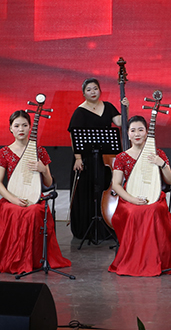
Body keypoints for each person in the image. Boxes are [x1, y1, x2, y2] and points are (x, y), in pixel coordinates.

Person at [108, 115, 171, 276]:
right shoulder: (122, 157)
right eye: (133, 130)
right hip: (129, 198)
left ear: (147, 132)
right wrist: (132, 199)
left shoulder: (158, 153)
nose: (137, 134)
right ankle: (134, 260)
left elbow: (170, 180)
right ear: (128, 134)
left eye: (140, 130)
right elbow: (116, 184)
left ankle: (155, 259)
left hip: (154, 196)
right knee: (134, 212)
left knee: (153, 210)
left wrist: (161, 164)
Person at [0, 111, 71, 274]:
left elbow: (49, 183)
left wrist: (43, 170)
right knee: (13, 210)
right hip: (12, 199)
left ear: (30, 127)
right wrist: (13, 199)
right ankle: (13, 259)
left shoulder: (40, 151)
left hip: (34, 198)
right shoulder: (4, 152)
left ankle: (33, 259)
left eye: (25, 125)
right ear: (10, 128)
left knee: (34, 211)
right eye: (17, 126)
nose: (21, 129)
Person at [67, 77, 128, 239]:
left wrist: (125, 108)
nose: (92, 92)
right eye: (89, 90)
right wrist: (78, 158)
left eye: (95, 88)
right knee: (88, 192)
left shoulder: (108, 106)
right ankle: (87, 228)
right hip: (86, 158)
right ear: (83, 93)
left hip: (105, 158)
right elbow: (74, 136)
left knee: (104, 188)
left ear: (100, 90)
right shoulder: (80, 111)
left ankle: (105, 226)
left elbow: (120, 122)